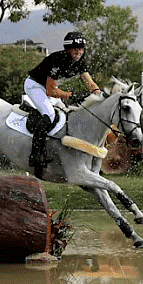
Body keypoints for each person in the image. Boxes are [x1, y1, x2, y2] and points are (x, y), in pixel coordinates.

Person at [24, 31, 101, 177]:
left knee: (65, 115)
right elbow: (50, 90)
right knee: (50, 115)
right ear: (68, 49)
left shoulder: (80, 60)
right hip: (35, 86)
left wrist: (99, 94)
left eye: (81, 48)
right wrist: (71, 95)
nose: (79, 51)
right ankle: (34, 155)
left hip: (49, 89)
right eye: (75, 48)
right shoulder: (57, 60)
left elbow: (89, 82)